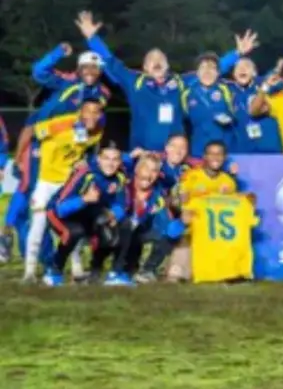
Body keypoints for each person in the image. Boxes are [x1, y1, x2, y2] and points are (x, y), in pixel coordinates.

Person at [77, 11, 255, 150]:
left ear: (168, 65)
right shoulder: (134, 82)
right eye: (151, 60)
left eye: (161, 59)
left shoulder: (179, 82)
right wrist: (93, 39)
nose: (156, 62)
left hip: (174, 154)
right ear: (144, 67)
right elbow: (111, 62)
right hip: (143, 154)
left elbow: (210, 70)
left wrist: (237, 54)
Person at [22, 100, 105, 283]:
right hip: (47, 182)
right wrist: (23, 157)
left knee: (72, 225)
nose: (92, 116)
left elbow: (85, 149)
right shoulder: (61, 124)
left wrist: (83, 162)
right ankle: (29, 272)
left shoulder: (98, 130)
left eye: (96, 112)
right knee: (38, 225)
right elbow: (31, 132)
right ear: (80, 112)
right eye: (88, 111)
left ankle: (76, 269)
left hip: (69, 184)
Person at [43, 143, 128, 286]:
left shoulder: (119, 177)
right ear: (98, 159)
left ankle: (104, 272)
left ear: (120, 162)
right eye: (106, 158)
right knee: (73, 232)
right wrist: (83, 199)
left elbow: (120, 204)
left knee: (121, 225)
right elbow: (60, 207)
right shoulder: (84, 174)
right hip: (58, 214)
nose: (111, 163)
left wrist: (114, 215)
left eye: (115, 159)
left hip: (87, 215)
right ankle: (54, 271)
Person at [117, 156, 182, 283]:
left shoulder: (158, 196)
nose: (149, 174)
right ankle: (116, 268)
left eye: (154, 171)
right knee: (125, 226)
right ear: (137, 169)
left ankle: (148, 270)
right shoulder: (123, 186)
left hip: (142, 231)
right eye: (146, 168)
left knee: (172, 230)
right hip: (119, 231)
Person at [228, 57, 283, 154]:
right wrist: (236, 53)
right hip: (242, 152)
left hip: (269, 150)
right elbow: (209, 74)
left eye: (247, 66)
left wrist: (282, 70)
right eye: (238, 67)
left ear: (254, 72)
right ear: (233, 74)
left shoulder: (267, 86)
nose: (242, 69)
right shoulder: (227, 90)